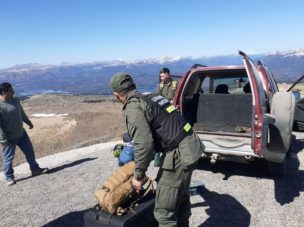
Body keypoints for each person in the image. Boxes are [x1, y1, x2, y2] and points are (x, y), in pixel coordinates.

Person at [110, 73, 204, 226]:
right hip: (190, 145)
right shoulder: (150, 96)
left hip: (179, 153)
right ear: (132, 86)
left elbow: (144, 143)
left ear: (117, 95)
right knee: (179, 196)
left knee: (164, 212)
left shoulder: (133, 107)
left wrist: (138, 176)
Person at [0, 82, 48, 186]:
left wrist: (28, 121)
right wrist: (3, 139)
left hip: (21, 133)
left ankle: (35, 170)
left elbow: (20, 112)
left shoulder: (15, 100)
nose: (13, 92)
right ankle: (9, 178)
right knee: (8, 158)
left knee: (29, 151)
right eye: (11, 91)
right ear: (3, 92)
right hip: (9, 137)